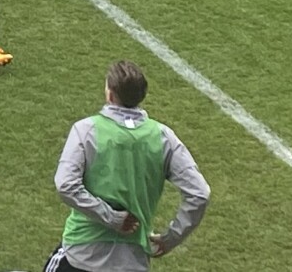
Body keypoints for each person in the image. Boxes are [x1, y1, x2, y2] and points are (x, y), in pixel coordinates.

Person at [44, 60, 210, 272]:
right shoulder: (163, 137)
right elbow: (200, 194)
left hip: (82, 254)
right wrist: (171, 238)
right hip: (132, 262)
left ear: (110, 95)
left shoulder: (86, 130)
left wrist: (111, 217)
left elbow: (65, 185)